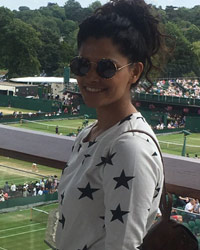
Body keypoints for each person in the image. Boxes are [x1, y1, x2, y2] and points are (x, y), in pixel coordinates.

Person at [56, 0, 165, 249]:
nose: (91, 76)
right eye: (82, 65)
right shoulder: (89, 134)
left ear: (135, 72)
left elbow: (124, 245)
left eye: (107, 67)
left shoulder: (130, 148)